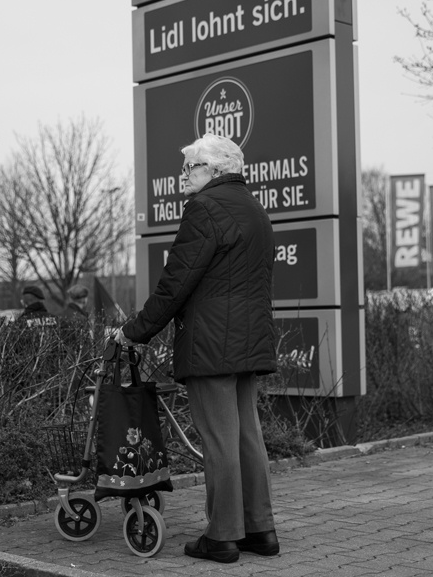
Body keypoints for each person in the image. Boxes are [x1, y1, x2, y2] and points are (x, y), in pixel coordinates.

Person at [115, 133, 279, 563]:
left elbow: (176, 283)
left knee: (219, 439)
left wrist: (136, 330)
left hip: (211, 341)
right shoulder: (255, 209)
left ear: (217, 171)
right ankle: (259, 529)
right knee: (247, 435)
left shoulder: (204, 209)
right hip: (250, 337)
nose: (183, 175)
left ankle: (223, 536)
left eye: (191, 167)